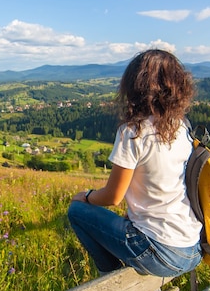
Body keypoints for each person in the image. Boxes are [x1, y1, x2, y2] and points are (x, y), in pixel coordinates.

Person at [68, 49, 202, 278]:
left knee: (76, 211)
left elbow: (113, 196)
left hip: (159, 254)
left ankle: (110, 278)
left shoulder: (133, 132)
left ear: (135, 85)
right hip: (192, 248)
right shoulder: (182, 128)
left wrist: (87, 196)